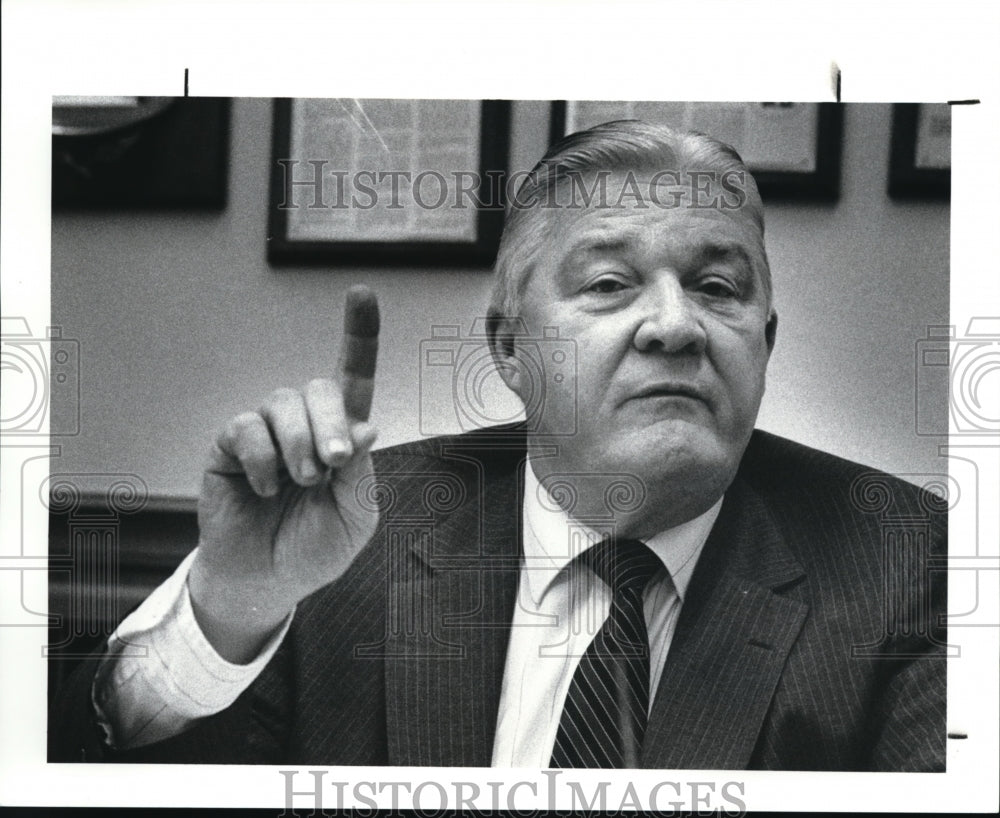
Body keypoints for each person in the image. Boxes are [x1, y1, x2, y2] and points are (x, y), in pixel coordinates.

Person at [52, 120, 947, 770]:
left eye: (717, 286)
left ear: (765, 341)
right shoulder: (353, 535)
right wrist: (232, 610)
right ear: (511, 349)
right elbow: (101, 769)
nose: (675, 325)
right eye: (608, 283)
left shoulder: (904, 561)